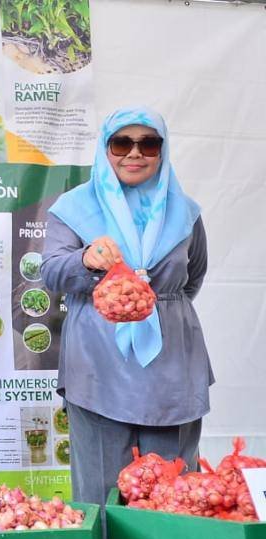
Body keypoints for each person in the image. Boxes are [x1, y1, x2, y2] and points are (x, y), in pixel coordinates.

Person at [42, 106, 212, 506]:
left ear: (162, 151)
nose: (134, 154)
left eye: (148, 144)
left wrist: (155, 308)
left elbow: (193, 277)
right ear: (106, 149)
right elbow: (50, 273)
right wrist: (85, 261)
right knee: (101, 489)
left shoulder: (185, 212)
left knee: (175, 489)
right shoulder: (74, 207)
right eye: (122, 143)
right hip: (98, 363)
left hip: (172, 366)